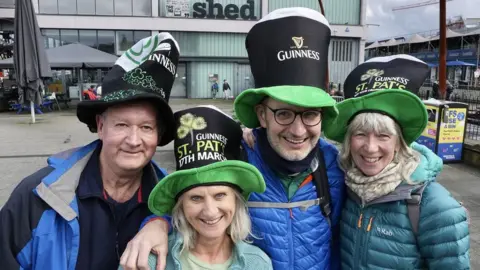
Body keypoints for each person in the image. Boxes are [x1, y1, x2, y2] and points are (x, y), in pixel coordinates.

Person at [119, 7, 345, 270]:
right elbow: (190, 197)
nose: (298, 130)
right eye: (283, 114)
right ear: (261, 115)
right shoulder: (237, 155)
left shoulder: (334, 166)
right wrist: (155, 224)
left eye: (310, 114)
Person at [0, 32, 181, 270]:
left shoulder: (176, 201)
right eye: (122, 125)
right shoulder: (36, 198)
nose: (134, 140)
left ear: (157, 135)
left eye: (146, 127)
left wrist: (162, 220)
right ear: (101, 126)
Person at [323, 55, 470, 269]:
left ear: (399, 143)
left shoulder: (436, 208)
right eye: (360, 134)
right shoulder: (347, 187)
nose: (371, 147)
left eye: (383, 136)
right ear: (348, 141)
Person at [119, 105, 273, 270]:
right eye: (196, 198)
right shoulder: (146, 260)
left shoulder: (257, 264)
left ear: (235, 200)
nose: (210, 211)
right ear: (181, 205)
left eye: (220, 195)